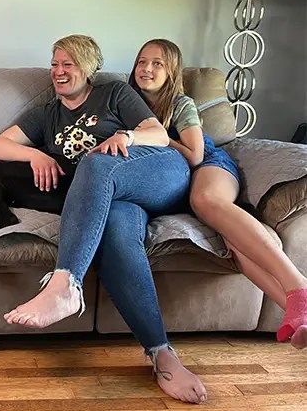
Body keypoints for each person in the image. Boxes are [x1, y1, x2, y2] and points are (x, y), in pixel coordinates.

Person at [0, 34, 207, 404]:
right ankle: (162, 353)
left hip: (159, 172)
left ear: (88, 67)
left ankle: (64, 285)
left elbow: (156, 132)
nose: (58, 71)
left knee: (96, 161)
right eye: (54, 64)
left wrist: (126, 136)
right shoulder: (46, 114)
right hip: (116, 198)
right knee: (117, 234)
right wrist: (35, 157)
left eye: (67, 64)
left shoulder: (115, 94)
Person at [129, 38, 307, 349]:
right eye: (142, 62)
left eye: (157, 63)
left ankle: (299, 286)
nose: (146, 69)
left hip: (206, 167)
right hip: (174, 181)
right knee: (233, 244)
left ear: (171, 71)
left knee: (206, 200)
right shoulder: (125, 101)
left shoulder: (180, 104)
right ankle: (296, 317)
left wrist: (158, 138)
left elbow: (196, 155)